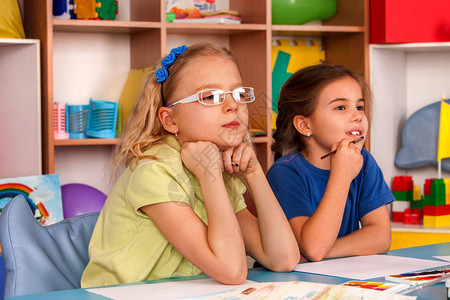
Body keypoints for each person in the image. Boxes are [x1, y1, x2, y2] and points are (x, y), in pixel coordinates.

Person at [81, 43, 299, 288]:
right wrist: (209, 176)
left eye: (238, 94)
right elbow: (232, 271)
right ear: (170, 119)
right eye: (210, 97)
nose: (232, 106)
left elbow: (284, 259)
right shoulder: (154, 172)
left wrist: (254, 173)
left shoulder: (219, 167)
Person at [267, 63, 394, 262]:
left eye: (359, 106)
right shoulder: (285, 173)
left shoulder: (364, 161)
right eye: (341, 107)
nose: (358, 115)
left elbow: (381, 237)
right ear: (305, 125)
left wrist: (324, 252)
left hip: (336, 275)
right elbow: (314, 246)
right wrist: (342, 175)